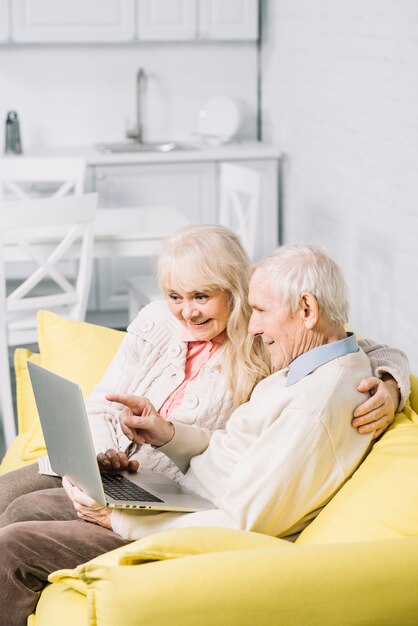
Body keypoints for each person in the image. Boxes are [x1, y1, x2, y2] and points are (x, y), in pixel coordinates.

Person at [0, 241, 410, 626]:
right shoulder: (308, 360)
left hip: (192, 528)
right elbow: (230, 447)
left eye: (260, 311)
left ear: (304, 308)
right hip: (172, 491)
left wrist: (117, 520)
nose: (254, 326)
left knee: (14, 545)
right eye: (176, 296)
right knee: (20, 507)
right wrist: (167, 434)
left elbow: (241, 521)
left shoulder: (310, 389)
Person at [0, 225, 406, 515]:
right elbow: (102, 402)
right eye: (175, 295)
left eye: (201, 296)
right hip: (95, 463)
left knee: (21, 517)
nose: (187, 311)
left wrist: (390, 382)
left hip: (159, 488)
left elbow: (357, 344)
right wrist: (102, 458)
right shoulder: (155, 321)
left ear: (235, 290)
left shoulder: (263, 341)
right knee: (6, 498)